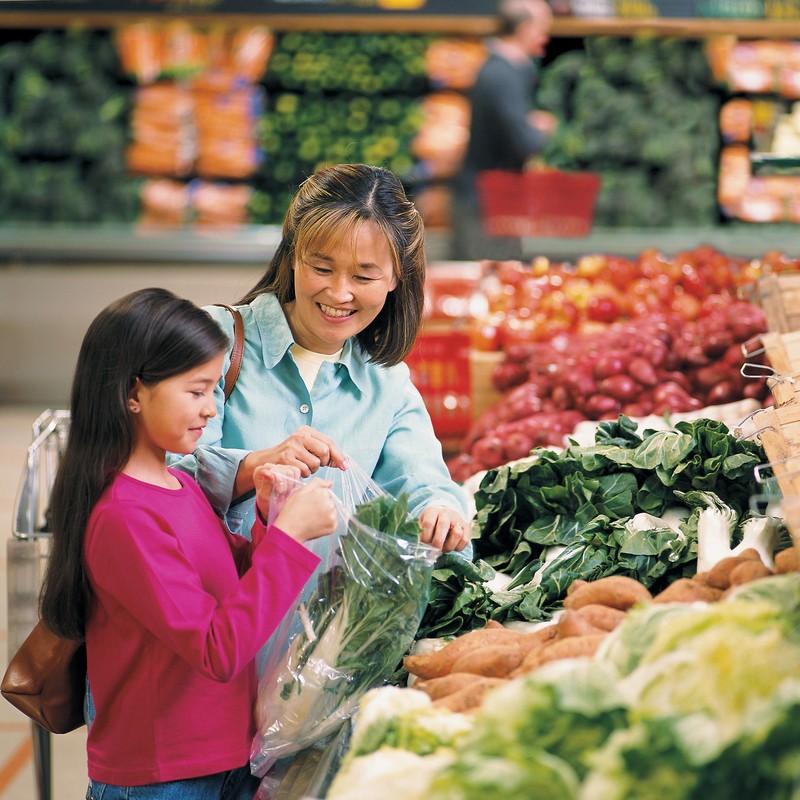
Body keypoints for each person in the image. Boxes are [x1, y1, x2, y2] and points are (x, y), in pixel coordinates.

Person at [39, 287, 338, 800]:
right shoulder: (123, 516)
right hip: (163, 777)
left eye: (213, 392)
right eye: (196, 391)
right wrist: (289, 539)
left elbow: (225, 577)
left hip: (222, 759)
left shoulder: (177, 484)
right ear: (134, 393)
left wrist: (269, 516)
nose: (209, 411)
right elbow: (216, 647)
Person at [172, 163, 472, 555]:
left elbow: (421, 481)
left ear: (396, 278)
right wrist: (254, 466)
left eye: (364, 278)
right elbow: (162, 480)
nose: (339, 293)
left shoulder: (387, 384)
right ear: (294, 255)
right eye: (322, 268)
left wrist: (440, 511)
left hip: (331, 617)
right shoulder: (214, 339)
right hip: (219, 611)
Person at [451, 0, 558, 261]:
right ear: (524, 29)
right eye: (542, 28)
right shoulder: (502, 76)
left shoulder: (501, 70)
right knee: (491, 285)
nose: (544, 37)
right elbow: (524, 143)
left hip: (489, 202)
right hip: (484, 208)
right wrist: (542, 127)